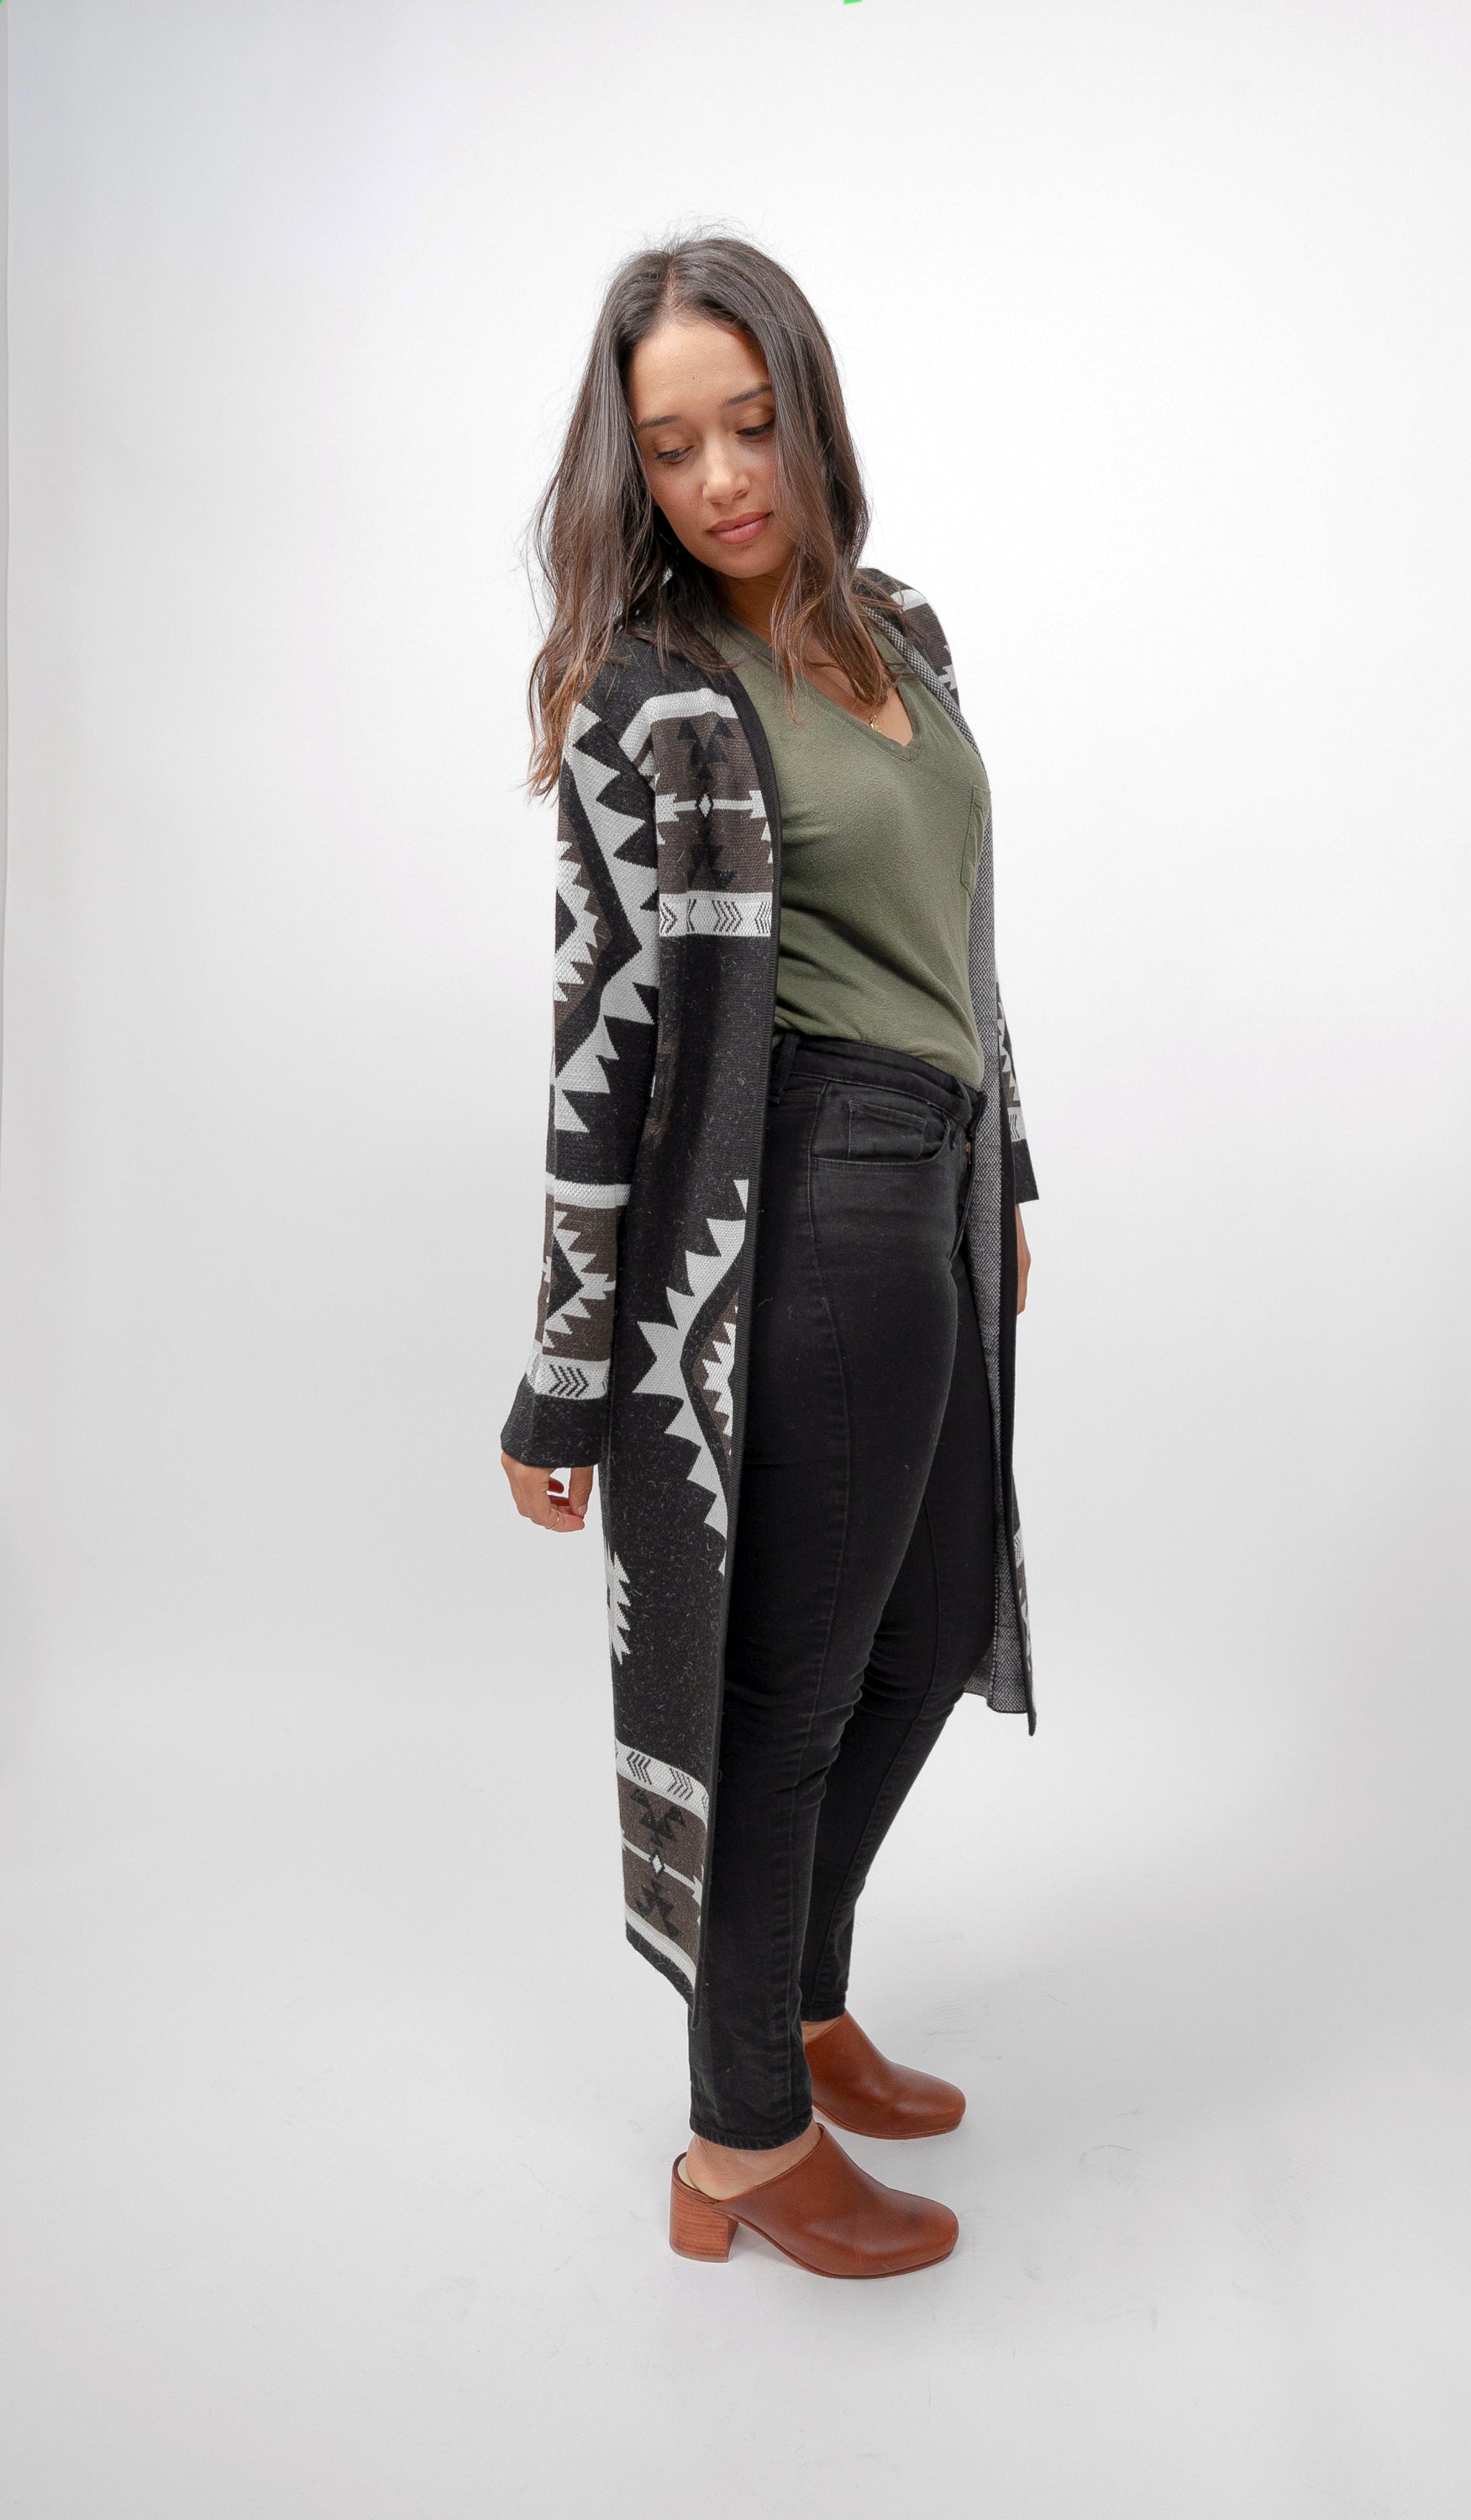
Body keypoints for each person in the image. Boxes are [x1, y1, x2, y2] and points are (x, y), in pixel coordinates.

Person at [498, 229, 1040, 2281]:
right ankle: (738, 2140)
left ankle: (800, 2010)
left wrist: (1007, 1176)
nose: (721, 478)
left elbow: (962, 936)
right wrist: (564, 1373)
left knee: (931, 1628)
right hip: (796, 1205)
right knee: (787, 1697)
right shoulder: (651, 702)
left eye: (750, 425)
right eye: (672, 446)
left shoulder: (902, 638)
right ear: (628, 470)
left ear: (808, 417)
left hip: (930, 1185)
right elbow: (604, 1045)